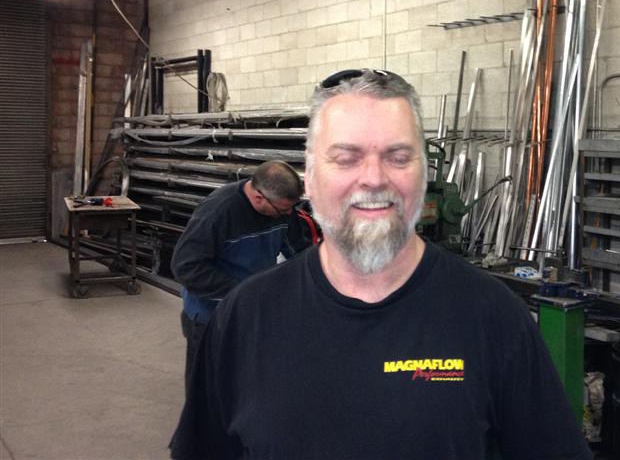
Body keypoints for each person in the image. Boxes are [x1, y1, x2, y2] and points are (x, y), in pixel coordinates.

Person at [170, 69, 592, 460]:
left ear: (423, 176)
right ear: (310, 179)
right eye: (346, 157)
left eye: (398, 156)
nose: (373, 178)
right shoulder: (245, 315)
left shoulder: (493, 315)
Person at [171, 160, 316, 389]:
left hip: (253, 310)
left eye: (291, 209)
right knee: (206, 387)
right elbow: (186, 267)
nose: (289, 214)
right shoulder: (217, 212)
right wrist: (243, 293)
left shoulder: (282, 210)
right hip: (211, 316)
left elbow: (298, 250)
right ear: (259, 197)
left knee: (244, 381)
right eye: (283, 210)